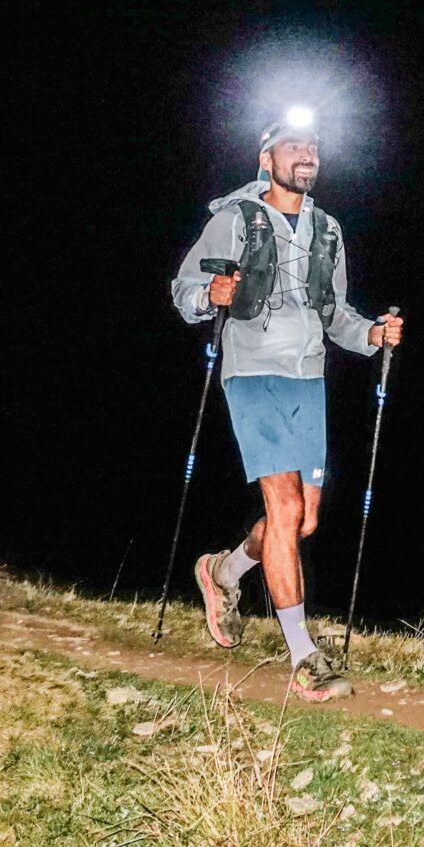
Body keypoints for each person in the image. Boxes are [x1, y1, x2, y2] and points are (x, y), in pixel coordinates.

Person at [170, 110, 404, 702]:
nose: (306, 154)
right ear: (266, 158)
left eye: (313, 147)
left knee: (303, 520)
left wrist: (373, 334)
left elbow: (338, 316)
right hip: (252, 374)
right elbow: (185, 290)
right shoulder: (235, 219)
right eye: (292, 145)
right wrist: (208, 294)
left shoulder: (328, 229)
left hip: (308, 379)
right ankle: (304, 656)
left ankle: (224, 572)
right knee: (284, 505)